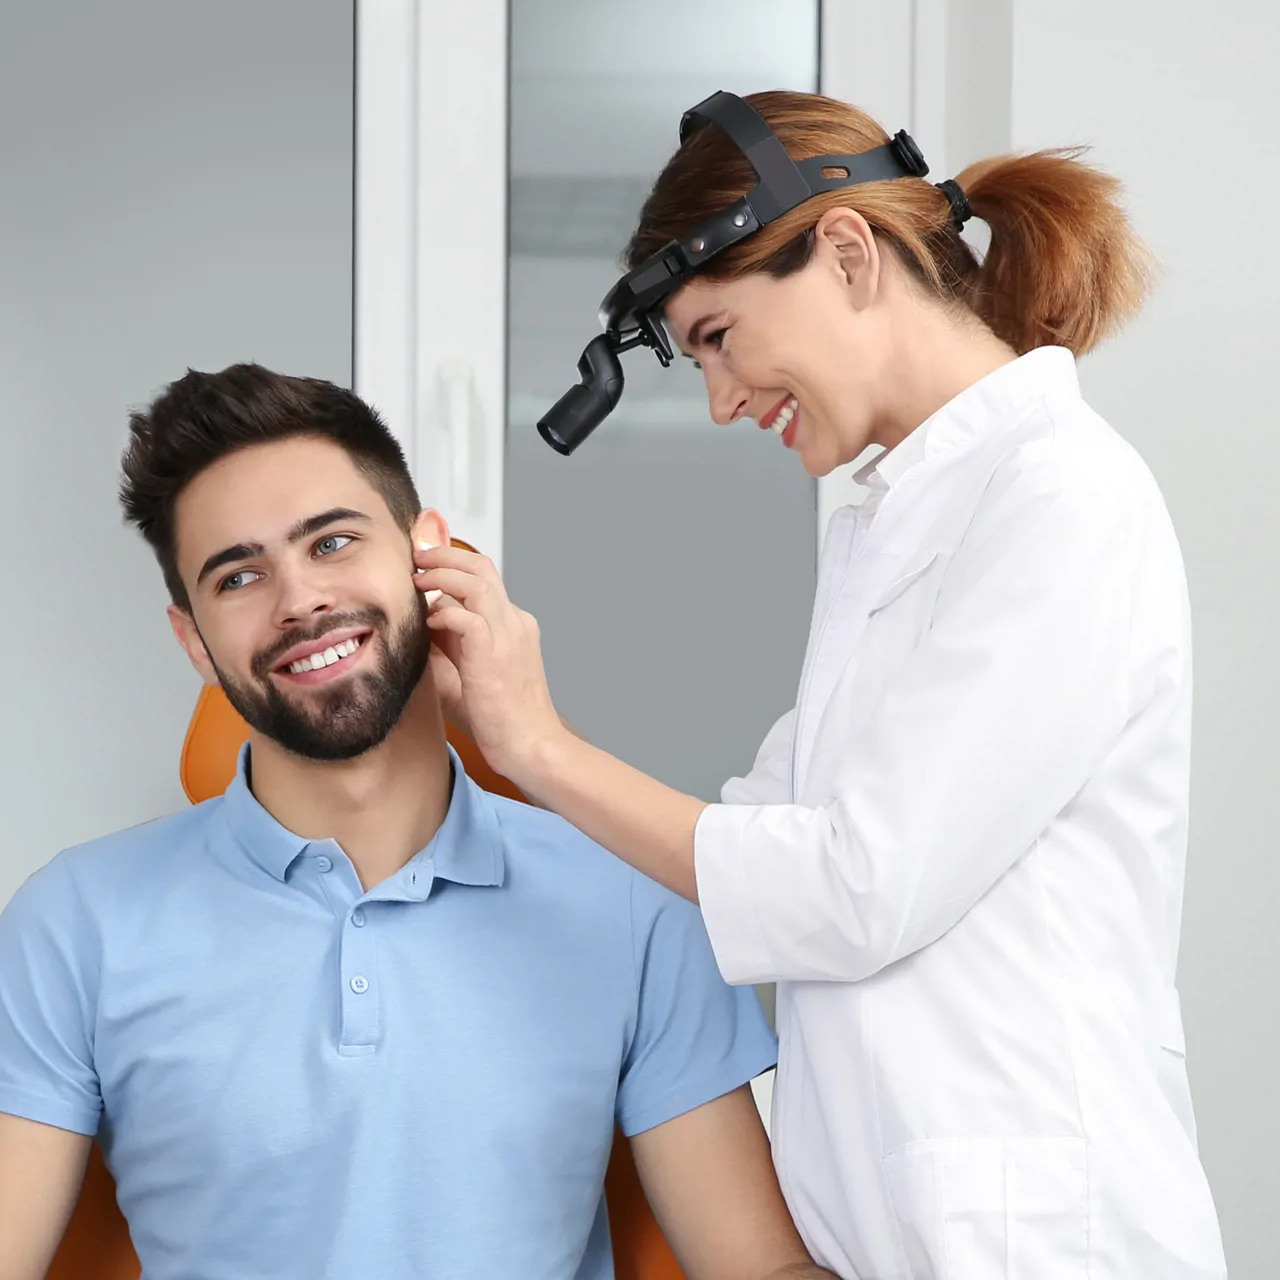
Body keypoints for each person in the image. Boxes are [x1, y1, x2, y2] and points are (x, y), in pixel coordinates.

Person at [413, 90, 1228, 1279]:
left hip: (1039, 1240)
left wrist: (536, 743)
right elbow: (754, 845)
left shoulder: (1059, 496)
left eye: (718, 338)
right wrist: (494, 727)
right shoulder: (883, 526)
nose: (721, 398)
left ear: (845, 253)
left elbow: (853, 886)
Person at [0, 365, 836, 1280]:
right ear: (194, 640)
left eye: (331, 543)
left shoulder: (637, 900)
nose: (298, 602)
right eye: (238, 576)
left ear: (426, 556)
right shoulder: (71, 924)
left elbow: (758, 1267)